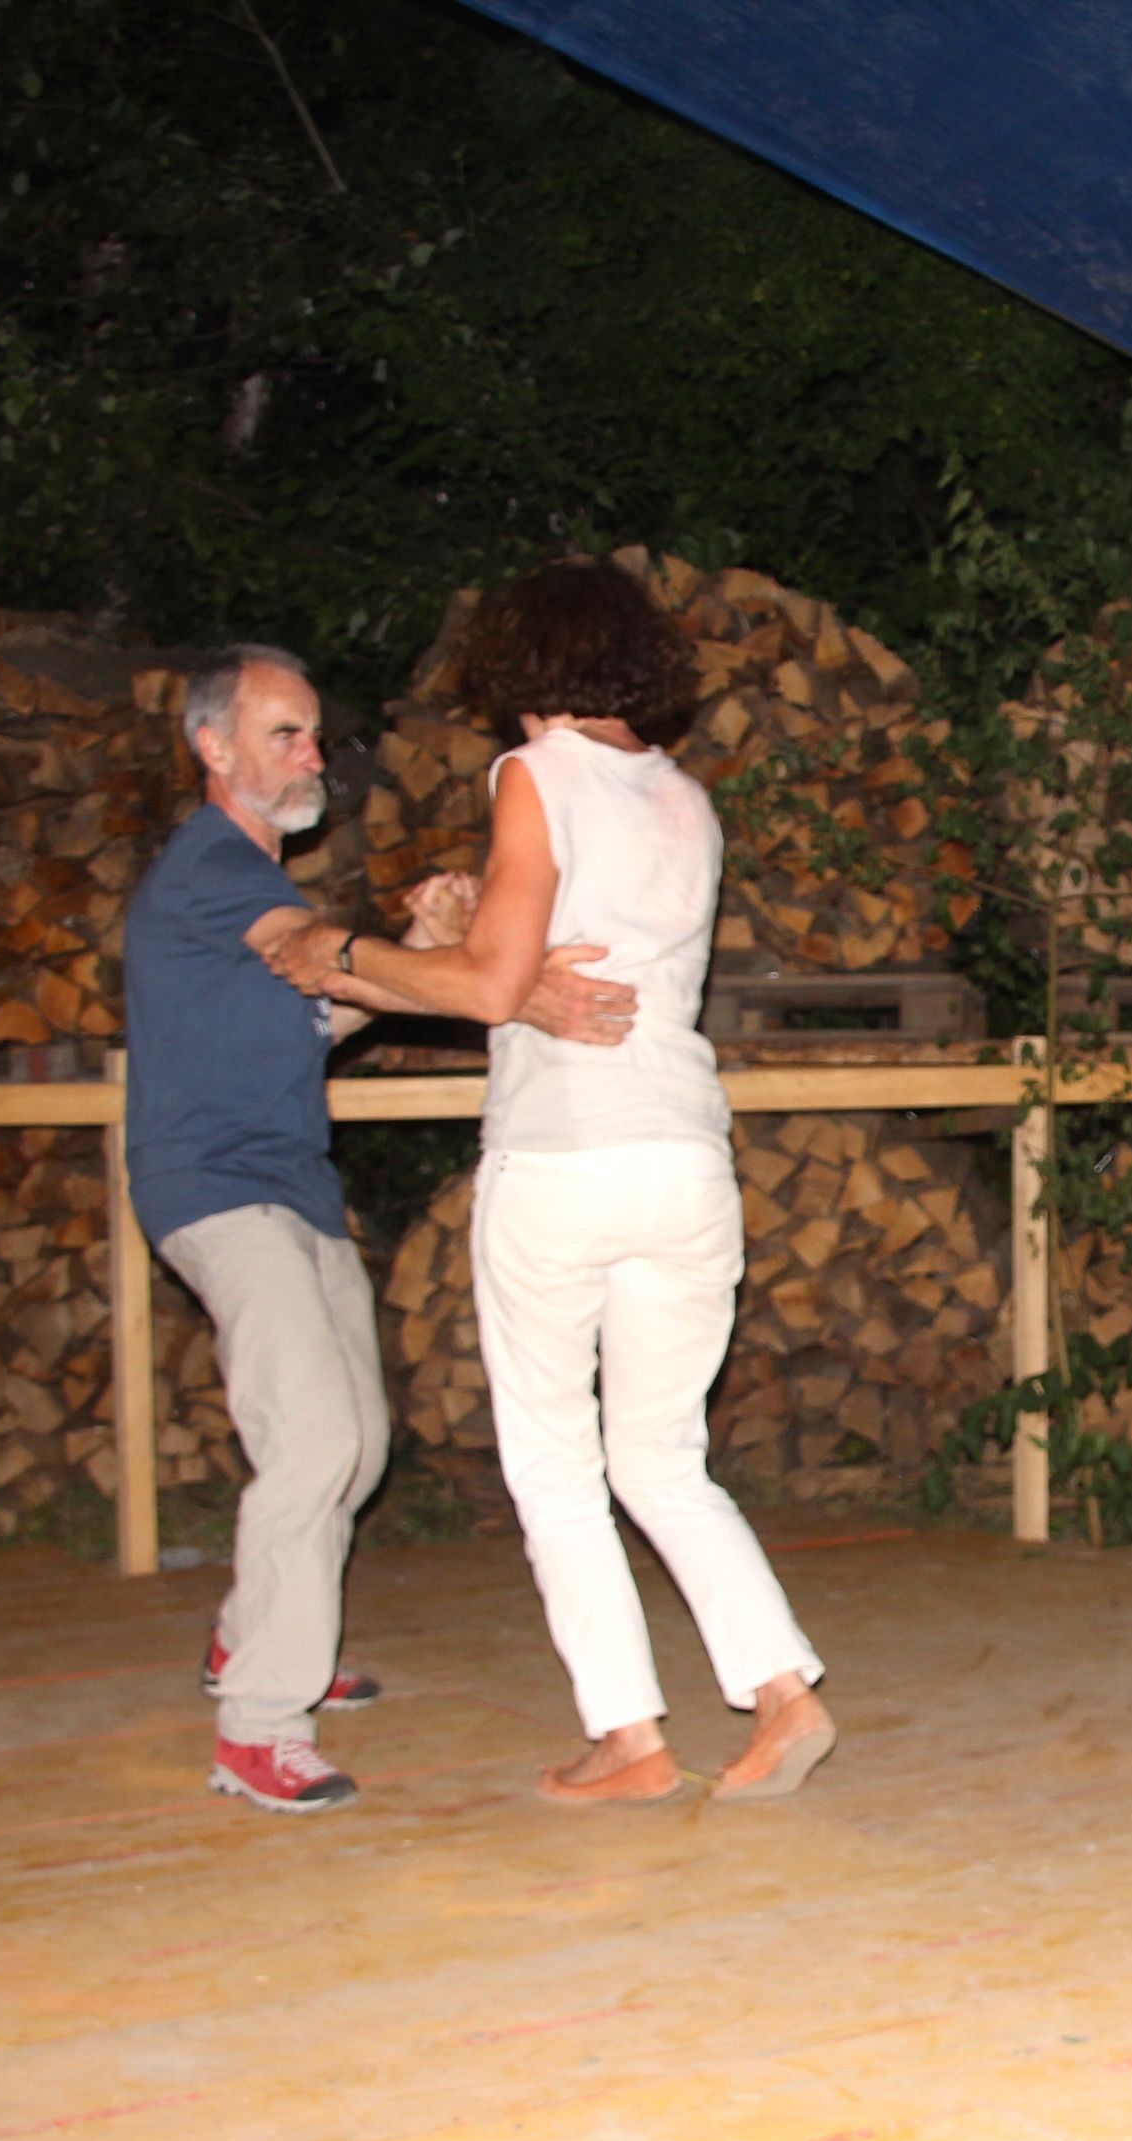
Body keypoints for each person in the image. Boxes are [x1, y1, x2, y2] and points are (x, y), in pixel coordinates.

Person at [262, 562, 837, 1808]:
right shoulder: (684, 797)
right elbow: (559, 949)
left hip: (565, 1155)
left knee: (556, 1466)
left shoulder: (534, 772)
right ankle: (784, 1692)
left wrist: (337, 952)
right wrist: (484, 928)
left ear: (520, 665)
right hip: (683, 1153)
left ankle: (629, 1736)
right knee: (664, 1458)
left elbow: (487, 986)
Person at [123, 643, 628, 1813]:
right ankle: (260, 1725)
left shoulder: (254, 896)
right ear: (213, 748)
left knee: (355, 1443)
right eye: (283, 734)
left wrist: (442, 956)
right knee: (311, 1444)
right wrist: (489, 974)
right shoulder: (214, 867)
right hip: (215, 1188)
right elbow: (340, 970)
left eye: (313, 733)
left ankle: (251, 1633)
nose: (313, 754)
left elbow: (324, 1010)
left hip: (291, 1185)